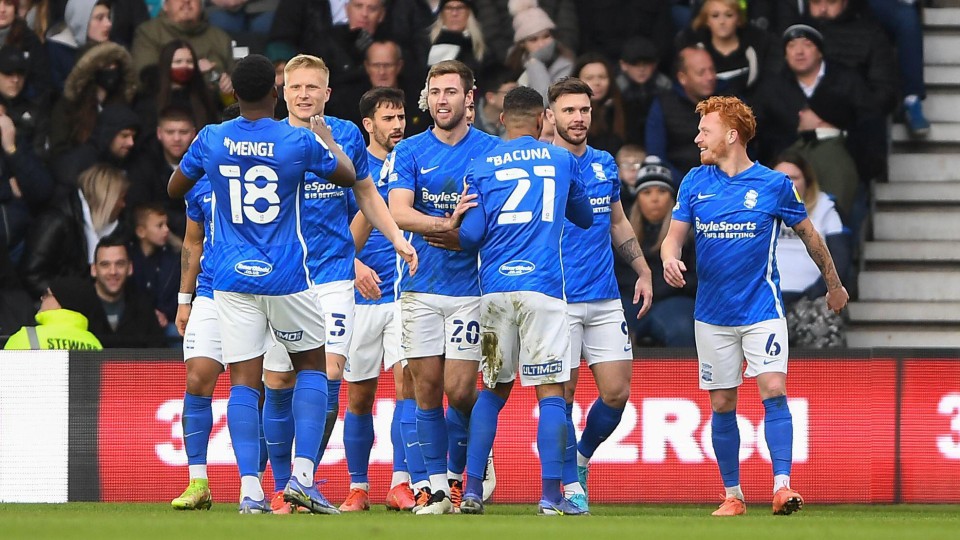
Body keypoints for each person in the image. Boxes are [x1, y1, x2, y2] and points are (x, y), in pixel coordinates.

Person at [167, 53, 358, 514]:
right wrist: (326, 139)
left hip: (231, 279)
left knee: (244, 384)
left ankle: (250, 490)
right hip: (287, 276)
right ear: (276, 94)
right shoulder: (294, 140)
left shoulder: (211, 138)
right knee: (313, 366)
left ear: (232, 93)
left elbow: (176, 189)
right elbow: (348, 175)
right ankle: (303, 478)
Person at [661, 95, 849, 516]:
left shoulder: (774, 185)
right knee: (723, 404)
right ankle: (734, 495)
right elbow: (673, 237)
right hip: (711, 315)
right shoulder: (694, 181)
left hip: (761, 309)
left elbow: (811, 236)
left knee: (773, 389)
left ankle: (782, 486)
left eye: (704, 131)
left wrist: (834, 285)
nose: (697, 138)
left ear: (731, 135)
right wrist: (670, 257)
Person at [256, 53, 417, 515]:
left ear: (327, 93)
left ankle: (303, 479)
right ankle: (283, 485)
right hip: (279, 280)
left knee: (328, 372)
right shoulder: (266, 139)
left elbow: (365, 194)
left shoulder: (344, 134)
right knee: (279, 380)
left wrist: (394, 241)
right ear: (281, 92)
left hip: (331, 277)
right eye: (295, 87)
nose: (303, 94)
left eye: (312, 87)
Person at [456, 85, 592, 516]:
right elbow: (586, 218)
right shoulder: (561, 159)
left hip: (495, 293)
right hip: (544, 291)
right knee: (550, 394)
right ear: (542, 120)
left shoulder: (479, 165)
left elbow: (471, 235)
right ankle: (552, 497)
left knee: (492, 391)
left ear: (501, 120)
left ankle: (473, 489)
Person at [387, 59, 500, 514]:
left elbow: (492, 221)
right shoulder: (411, 150)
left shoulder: (492, 150)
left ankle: (469, 464)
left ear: (469, 98)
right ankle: (434, 487)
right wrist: (444, 222)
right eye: (435, 92)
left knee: (461, 390)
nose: (442, 100)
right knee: (424, 387)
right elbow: (398, 211)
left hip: (472, 290)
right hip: (421, 286)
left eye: (451, 92)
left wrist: (460, 231)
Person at [547, 76, 653, 513]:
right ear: (550, 115)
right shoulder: (542, 164)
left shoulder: (604, 162)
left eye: (584, 110)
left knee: (616, 393)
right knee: (563, 398)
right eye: (569, 110)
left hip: (606, 296)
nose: (578, 118)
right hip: (558, 298)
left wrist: (643, 270)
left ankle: (581, 455)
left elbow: (618, 222)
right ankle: (568, 486)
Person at [338, 86, 418, 512]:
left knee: (407, 385)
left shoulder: (414, 160)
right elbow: (330, 232)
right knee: (360, 397)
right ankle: (358, 487)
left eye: (401, 117)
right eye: (388, 119)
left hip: (405, 296)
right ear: (368, 124)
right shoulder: (349, 169)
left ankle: (401, 482)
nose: (398, 125)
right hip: (359, 298)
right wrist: (353, 267)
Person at [168, 103, 244, 512]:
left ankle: (259, 483)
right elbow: (192, 242)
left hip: (260, 292)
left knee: (258, 389)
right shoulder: (200, 183)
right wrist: (185, 299)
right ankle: (198, 481)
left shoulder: (270, 176)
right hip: (212, 292)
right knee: (198, 379)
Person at [772, 150, 850, 348]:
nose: (787, 183)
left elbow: (840, 259)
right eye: (781, 178)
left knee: (825, 319)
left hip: (811, 300)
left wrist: (816, 292)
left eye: (794, 178)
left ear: (807, 181)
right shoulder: (756, 209)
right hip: (765, 302)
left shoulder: (825, 207)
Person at [19, 163, 128, 299]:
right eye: (121, 198)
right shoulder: (55, 222)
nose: (124, 205)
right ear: (107, 199)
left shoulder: (112, 227)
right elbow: (31, 275)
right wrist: (67, 298)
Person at [626, 156, 697, 346]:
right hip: (629, 301)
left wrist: (665, 286)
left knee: (681, 328)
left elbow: (697, 278)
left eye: (662, 191)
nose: (655, 199)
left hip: (674, 300)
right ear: (637, 197)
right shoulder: (621, 232)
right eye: (647, 192)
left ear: (672, 196)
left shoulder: (689, 234)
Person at [676, 0, 780, 99]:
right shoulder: (693, 49)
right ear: (706, 20)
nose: (722, 21)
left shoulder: (760, 44)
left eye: (729, 15)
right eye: (715, 16)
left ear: (739, 19)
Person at [131, 0, 234, 98]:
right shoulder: (148, 33)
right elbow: (143, 80)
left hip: (214, 109)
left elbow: (235, 82)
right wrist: (192, 72)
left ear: (202, 4)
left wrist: (228, 86)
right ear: (165, 5)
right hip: (164, 107)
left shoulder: (220, 38)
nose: (186, 1)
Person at [645, 45, 718, 181]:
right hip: (678, 186)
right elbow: (657, 156)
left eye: (712, 70)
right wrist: (688, 185)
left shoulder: (729, 102)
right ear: (682, 78)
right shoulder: (663, 105)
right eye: (701, 73)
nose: (710, 77)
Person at [85, 237, 166, 348]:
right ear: (93, 270)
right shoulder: (78, 308)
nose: (113, 271)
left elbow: (159, 356)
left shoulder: (143, 307)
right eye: (105, 265)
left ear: (130, 268)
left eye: (120, 264)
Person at [3, 275, 102, 350]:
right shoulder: (95, 344)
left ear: (60, 302)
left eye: (47, 294)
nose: (42, 298)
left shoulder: (25, 338)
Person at [504, 0, 574, 101]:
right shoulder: (513, 62)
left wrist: (535, 62)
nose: (542, 44)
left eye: (546, 36)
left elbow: (545, 100)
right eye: (533, 40)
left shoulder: (565, 63)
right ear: (522, 44)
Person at [128, 202, 178, 339]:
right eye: (159, 226)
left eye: (166, 224)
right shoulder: (128, 258)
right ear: (141, 231)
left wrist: (164, 313)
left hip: (166, 324)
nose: (166, 230)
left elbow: (175, 297)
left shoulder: (172, 260)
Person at [46, 0, 114, 92]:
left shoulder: (115, 49)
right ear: (81, 21)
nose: (109, 24)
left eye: (108, 17)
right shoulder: (55, 51)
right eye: (100, 18)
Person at [572, 53, 625, 155]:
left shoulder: (624, 108)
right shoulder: (566, 112)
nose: (597, 82)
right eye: (589, 78)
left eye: (602, 77)